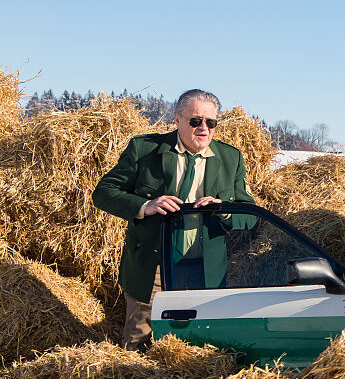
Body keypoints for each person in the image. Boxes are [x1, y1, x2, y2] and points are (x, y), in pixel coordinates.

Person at [93, 89, 255, 350]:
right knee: (139, 339)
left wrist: (224, 209)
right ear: (177, 119)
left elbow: (249, 215)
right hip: (153, 264)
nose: (204, 128)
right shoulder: (144, 149)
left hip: (204, 269)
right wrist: (146, 205)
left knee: (200, 345)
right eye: (195, 121)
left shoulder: (231, 158)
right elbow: (103, 193)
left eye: (210, 123)